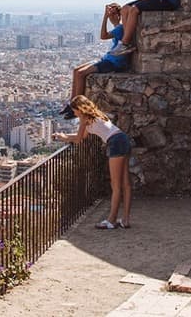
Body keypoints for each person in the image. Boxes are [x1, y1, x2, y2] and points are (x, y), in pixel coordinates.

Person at [53, 95, 132, 229]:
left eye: (75, 110)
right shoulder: (97, 114)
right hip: (122, 138)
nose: (75, 113)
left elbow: (78, 140)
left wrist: (63, 138)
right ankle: (125, 220)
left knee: (116, 185)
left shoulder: (84, 119)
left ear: (80, 109)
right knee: (125, 184)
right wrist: (64, 137)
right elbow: (82, 136)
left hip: (115, 143)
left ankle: (111, 220)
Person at [71, 3, 128, 99]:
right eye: (111, 14)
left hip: (112, 63)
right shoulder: (118, 28)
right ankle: (71, 103)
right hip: (107, 60)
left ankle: (78, 104)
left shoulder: (120, 28)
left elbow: (103, 36)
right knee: (76, 71)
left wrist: (105, 17)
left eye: (114, 14)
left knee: (80, 74)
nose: (112, 16)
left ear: (119, 15)